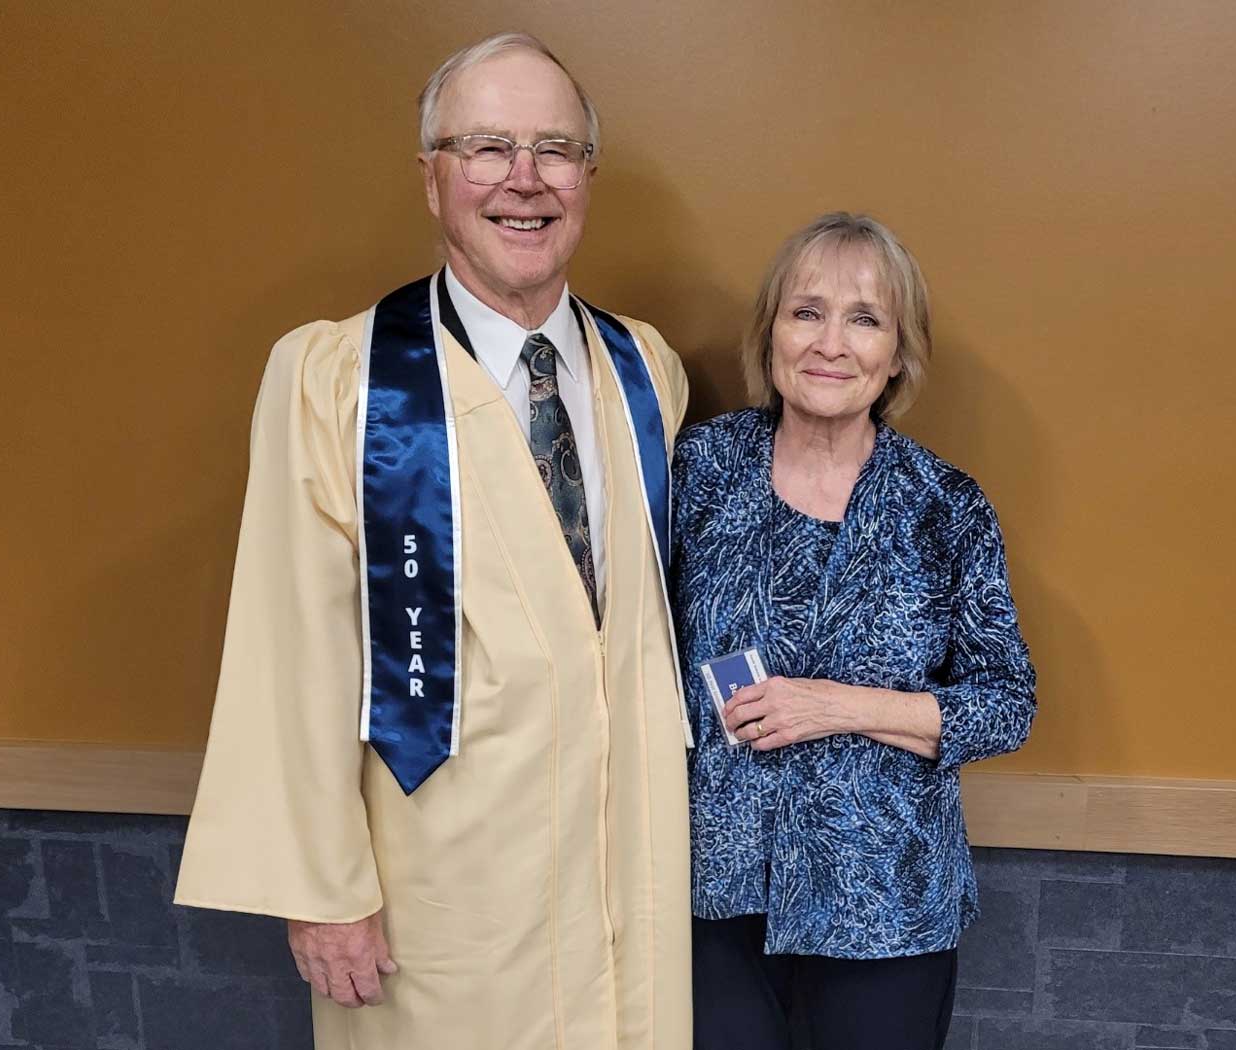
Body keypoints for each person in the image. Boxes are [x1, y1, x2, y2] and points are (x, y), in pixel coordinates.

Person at [175, 32, 694, 1050]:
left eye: (554, 149)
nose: (524, 179)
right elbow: (293, 644)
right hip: (440, 888)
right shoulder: (342, 380)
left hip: (626, 874)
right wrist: (323, 887)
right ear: (431, 178)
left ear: (587, 177)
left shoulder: (645, 369)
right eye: (486, 147)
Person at [671, 212, 1036, 1050]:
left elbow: (1005, 705)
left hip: (889, 911)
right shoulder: (698, 470)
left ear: (898, 353)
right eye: (807, 312)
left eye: (865, 318)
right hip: (712, 897)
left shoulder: (945, 507)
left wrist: (837, 704)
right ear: (770, 336)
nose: (831, 342)